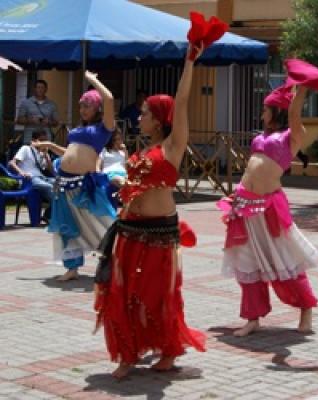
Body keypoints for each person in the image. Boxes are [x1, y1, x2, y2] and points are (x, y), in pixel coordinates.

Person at [93, 44, 206, 379]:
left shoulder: (171, 147)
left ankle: (169, 350)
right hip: (128, 231)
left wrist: (189, 60)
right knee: (122, 295)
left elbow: (182, 101)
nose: (138, 117)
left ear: (159, 120)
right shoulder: (144, 150)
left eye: (144, 113)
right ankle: (127, 354)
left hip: (159, 233)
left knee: (156, 296)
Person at [217, 83, 318, 337]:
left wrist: (302, 88)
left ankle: (306, 308)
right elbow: (252, 169)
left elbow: (295, 114)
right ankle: (253, 318)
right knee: (247, 261)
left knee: (284, 259)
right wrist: (237, 194)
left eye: (265, 110)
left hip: (269, 208)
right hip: (244, 205)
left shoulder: (291, 137)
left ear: (276, 112)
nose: (262, 115)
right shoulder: (259, 138)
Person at [33, 71, 116, 281]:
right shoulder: (79, 129)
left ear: (97, 108)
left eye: (87, 105)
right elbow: (71, 152)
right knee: (67, 228)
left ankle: (116, 261)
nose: (83, 109)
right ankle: (72, 268)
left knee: (104, 223)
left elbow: (109, 99)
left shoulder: (104, 128)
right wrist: (50, 145)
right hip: (64, 184)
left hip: (84, 186)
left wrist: (94, 81)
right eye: (81, 105)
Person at [9, 129, 55, 222]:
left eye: (45, 141)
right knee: (50, 188)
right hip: (29, 179)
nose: (44, 143)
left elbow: (52, 171)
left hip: (41, 178)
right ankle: (50, 215)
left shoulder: (42, 153)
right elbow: (12, 163)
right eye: (41, 140)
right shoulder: (26, 149)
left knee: (60, 185)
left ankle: (48, 214)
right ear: (34, 141)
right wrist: (22, 172)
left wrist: (46, 155)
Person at [16, 79, 59, 144]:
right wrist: (31, 120)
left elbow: (56, 123)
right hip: (29, 138)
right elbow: (19, 120)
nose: (40, 90)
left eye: (42, 87)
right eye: (38, 87)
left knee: (45, 154)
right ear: (34, 89)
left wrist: (48, 122)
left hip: (46, 139)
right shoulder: (26, 103)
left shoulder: (52, 104)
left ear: (46, 89)